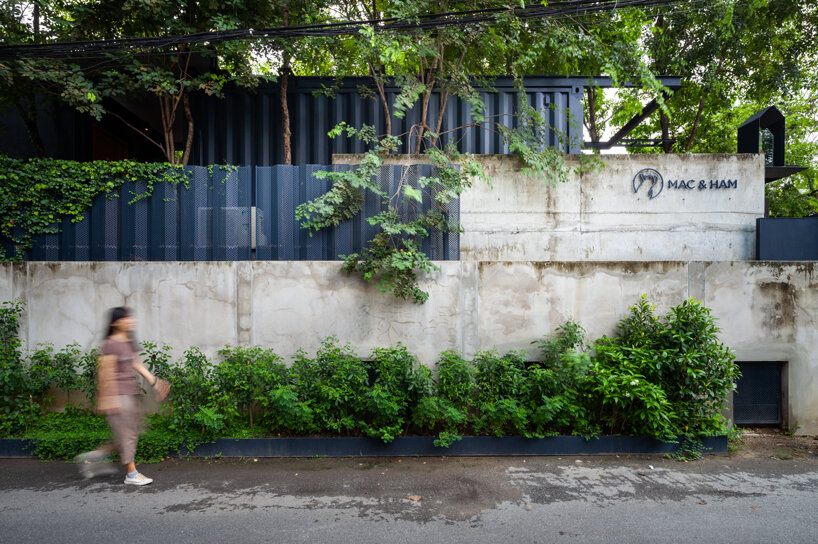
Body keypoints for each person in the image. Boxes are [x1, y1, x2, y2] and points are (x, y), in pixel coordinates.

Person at [74, 307, 170, 485]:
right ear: (115, 322)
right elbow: (104, 372)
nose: (130, 321)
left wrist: (155, 382)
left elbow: (135, 362)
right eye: (126, 319)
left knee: (129, 433)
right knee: (128, 435)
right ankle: (131, 474)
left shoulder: (127, 341)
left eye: (130, 318)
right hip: (118, 395)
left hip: (130, 393)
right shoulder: (110, 344)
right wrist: (107, 399)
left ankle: (94, 456)